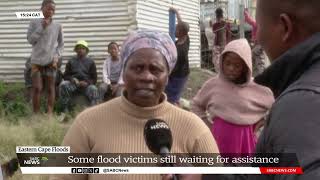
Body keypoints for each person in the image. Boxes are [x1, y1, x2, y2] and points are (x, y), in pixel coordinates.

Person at [166, 0, 320, 179]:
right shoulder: (301, 97)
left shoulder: (299, 105)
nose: (258, 37)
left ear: (285, 27)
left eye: (259, 26)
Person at [50, 30, 219, 180]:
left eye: (156, 69)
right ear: (124, 72)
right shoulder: (88, 123)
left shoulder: (194, 129)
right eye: (137, 68)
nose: (146, 76)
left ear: (167, 77)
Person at [192, 39, 274, 155]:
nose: (231, 68)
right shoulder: (213, 85)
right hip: (217, 140)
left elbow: (277, 105)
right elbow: (196, 104)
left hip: (245, 142)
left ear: (245, 67)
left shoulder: (257, 87)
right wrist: (206, 125)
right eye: (228, 63)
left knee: (243, 171)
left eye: (237, 65)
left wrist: (263, 120)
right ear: (222, 62)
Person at [27, 0, 64, 114]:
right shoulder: (34, 22)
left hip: (50, 61)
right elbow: (30, 40)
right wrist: (42, 27)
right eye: (49, 8)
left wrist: (57, 56)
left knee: (50, 88)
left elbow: (61, 44)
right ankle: (36, 115)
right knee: (37, 88)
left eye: (53, 9)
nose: (51, 11)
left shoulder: (57, 25)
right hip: (36, 61)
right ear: (42, 8)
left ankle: (49, 114)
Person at [59, 40, 98, 112]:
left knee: (94, 89)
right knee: (63, 85)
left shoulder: (91, 62)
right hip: (74, 84)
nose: (80, 50)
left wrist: (87, 83)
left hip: (86, 85)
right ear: (76, 50)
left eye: (83, 48)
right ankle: (65, 111)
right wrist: (72, 79)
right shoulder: (71, 61)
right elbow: (65, 75)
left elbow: (94, 78)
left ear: (86, 50)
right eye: (78, 48)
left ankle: (93, 112)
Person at [165, 7, 190, 105]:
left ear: (181, 32)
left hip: (179, 75)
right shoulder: (186, 38)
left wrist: (167, 74)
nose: (174, 31)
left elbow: (175, 67)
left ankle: (176, 110)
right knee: (170, 93)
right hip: (178, 73)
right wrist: (176, 12)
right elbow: (181, 24)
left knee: (172, 98)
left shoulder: (181, 51)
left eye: (176, 29)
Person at [244, 9, 269, 77]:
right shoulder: (264, 25)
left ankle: (262, 77)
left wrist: (245, 13)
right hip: (260, 46)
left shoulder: (256, 25)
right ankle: (257, 76)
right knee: (257, 62)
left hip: (258, 46)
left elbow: (249, 20)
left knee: (258, 62)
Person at [211, 8, 231, 72]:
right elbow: (229, 35)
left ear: (216, 15)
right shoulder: (226, 23)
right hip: (224, 45)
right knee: (222, 60)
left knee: (216, 61)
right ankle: (222, 73)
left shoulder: (216, 24)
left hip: (218, 45)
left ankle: (219, 73)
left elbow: (214, 32)